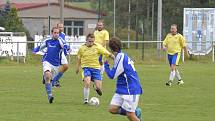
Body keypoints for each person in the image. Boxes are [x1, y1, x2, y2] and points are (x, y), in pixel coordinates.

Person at [104, 37, 142, 121]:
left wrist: (106, 65)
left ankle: (134, 112)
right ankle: (135, 111)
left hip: (130, 89)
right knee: (112, 109)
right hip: (122, 88)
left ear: (111, 49)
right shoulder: (121, 55)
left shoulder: (121, 57)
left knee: (130, 115)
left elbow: (112, 75)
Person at [75, 33, 114, 104]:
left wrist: (115, 58)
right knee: (87, 82)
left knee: (98, 87)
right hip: (86, 68)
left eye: (92, 41)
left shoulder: (97, 47)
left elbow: (107, 53)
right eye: (89, 41)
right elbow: (79, 58)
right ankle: (86, 100)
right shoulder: (82, 48)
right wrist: (77, 67)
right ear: (86, 40)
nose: (91, 43)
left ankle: (95, 87)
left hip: (96, 69)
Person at [33, 27, 65, 103]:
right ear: (52, 33)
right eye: (55, 33)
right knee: (48, 76)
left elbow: (65, 46)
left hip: (56, 65)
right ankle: (50, 96)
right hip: (47, 61)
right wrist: (35, 50)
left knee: (50, 79)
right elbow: (40, 47)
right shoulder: (48, 41)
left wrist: (67, 48)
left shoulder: (60, 41)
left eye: (58, 33)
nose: (56, 34)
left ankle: (48, 78)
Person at [51, 23, 70, 87]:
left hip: (61, 53)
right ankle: (53, 81)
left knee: (66, 66)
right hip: (55, 53)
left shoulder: (63, 34)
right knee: (55, 67)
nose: (61, 28)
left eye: (62, 27)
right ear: (57, 27)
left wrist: (67, 48)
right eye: (59, 27)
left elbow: (64, 43)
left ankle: (55, 80)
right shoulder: (55, 34)